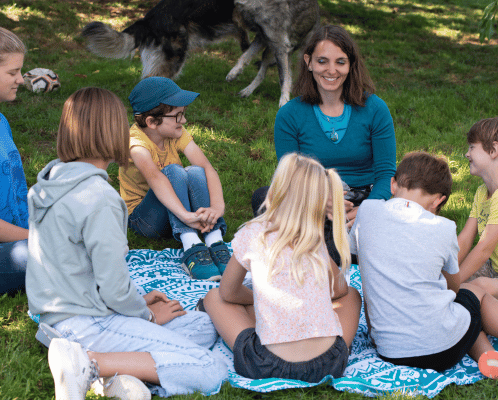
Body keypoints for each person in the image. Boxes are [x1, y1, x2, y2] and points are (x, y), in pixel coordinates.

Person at [26, 87, 228, 400]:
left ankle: (117, 376)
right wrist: (146, 316)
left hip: (62, 316)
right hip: (87, 323)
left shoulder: (49, 183)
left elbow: (82, 270)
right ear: (111, 134)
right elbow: (113, 284)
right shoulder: (100, 198)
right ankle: (90, 365)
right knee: (209, 368)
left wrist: (138, 302)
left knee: (202, 326)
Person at [203, 153, 362, 382]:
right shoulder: (315, 237)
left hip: (265, 365)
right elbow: (340, 292)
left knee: (213, 297)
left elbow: (227, 292)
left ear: (276, 189)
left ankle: (266, 313)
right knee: (353, 295)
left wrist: (257, 299)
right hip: (329, 362)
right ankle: (333, 342)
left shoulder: (253, 233)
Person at [252, 25, 396, 265]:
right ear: (308, 62)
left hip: (365, 200)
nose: (331, 70)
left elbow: (386, 173)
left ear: (351, 65)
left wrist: (366, 211)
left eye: (340, 62)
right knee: (264, 198)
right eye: (322, 61)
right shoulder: (290, 114)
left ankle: (323, 248)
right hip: (312, 199)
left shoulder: (374, 108)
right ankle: (339, 249)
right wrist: (322, 201)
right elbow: (291, 175)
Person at [349, 152, 498, 377]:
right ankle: (487, 353)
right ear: (438, 200)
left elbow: (364, 273)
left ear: (393, 184)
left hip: (388, 349)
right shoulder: (443, 227)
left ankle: (488, 357)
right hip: (443, 351)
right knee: (473, 292)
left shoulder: (367, 212)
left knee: (461, 313)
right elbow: (453, 289)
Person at [119, 77, 229, 281]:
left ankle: (214, 240)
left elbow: (207, 168)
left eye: (183, 114)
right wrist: (186, 216)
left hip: (176, 210)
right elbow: (156, 178)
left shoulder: (176, 131)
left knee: (195, 171)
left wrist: (217, 208)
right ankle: (192, 247)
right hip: (144, 219)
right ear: (152, 122)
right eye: (178, 116)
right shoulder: (134, 142)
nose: (184, 121)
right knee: (173, 172)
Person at [0, 27, 29, 296]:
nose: (20, 80)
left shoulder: (2, 121)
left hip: (20, 235)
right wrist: (38, 239)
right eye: (12, 72)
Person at [458, 118, 498, 297]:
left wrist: (450, 284)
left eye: (472, 147)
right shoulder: (482, 192)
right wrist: (444, 275)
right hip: (493, 268)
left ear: (493, 150)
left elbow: (484, 248)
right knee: (464, 285)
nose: (467, 154)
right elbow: (466, 239)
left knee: (475, 288)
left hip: (490, 270)